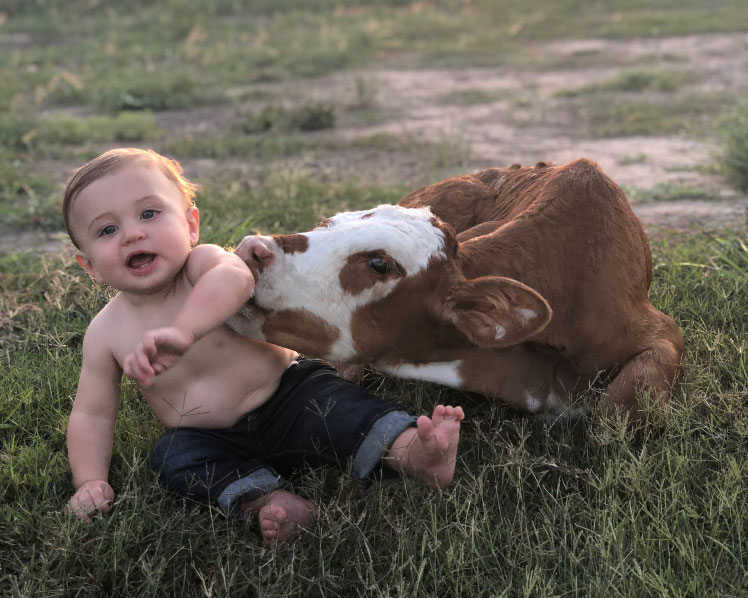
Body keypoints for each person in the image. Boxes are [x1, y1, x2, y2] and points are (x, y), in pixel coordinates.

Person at [62, 147, 465, 543]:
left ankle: (413, 450)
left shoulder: (202, 266)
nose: (133, 233)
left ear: (190, 226)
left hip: (288, 395)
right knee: (172, 458)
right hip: (209, 436)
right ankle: (270, 502)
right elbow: (91, 415)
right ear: (90, 267)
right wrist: (90, 480)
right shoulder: (104, 332)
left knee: (340, 406)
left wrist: (184, 330)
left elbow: (236, 279)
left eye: (149, 214)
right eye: (107, 230)